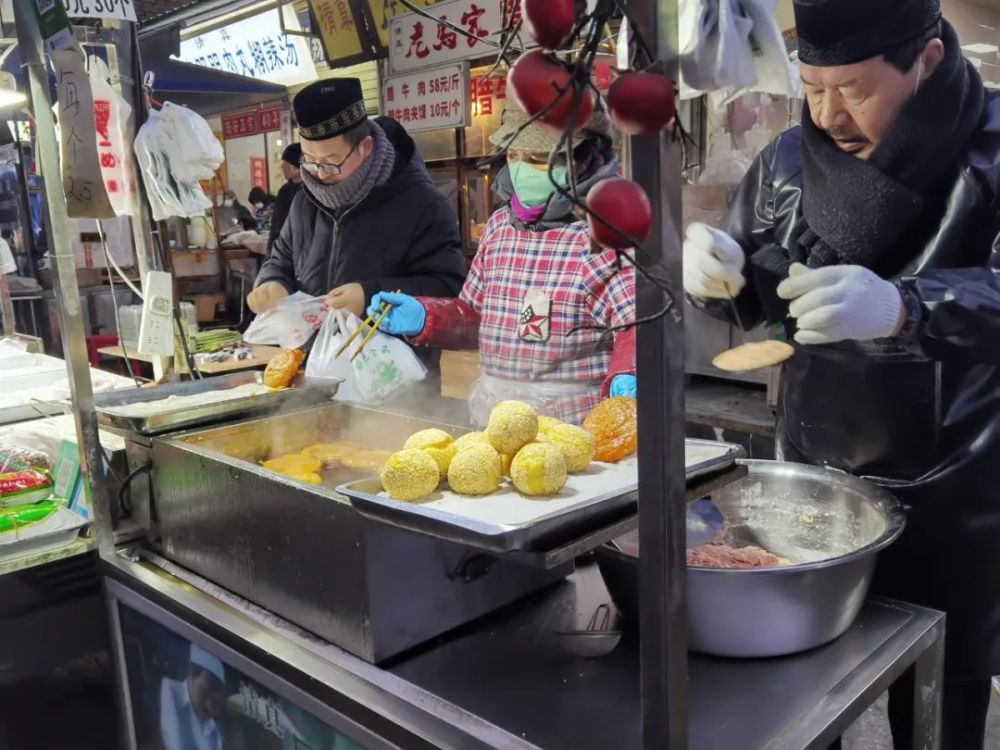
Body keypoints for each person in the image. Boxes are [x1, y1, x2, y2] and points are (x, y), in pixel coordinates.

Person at [683, 0, 999, 746]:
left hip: (958, 478)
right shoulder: (787, 160)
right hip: (817, 474)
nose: (828, 114)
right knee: (806, 682)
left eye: (853, 88)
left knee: (941, 686)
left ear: (924, 58)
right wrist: (711, 272)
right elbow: (753, 289)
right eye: (813, 86)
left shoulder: (989, 147)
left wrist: (906, 306)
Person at [368, 104, 636, 426]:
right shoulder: (499, 228)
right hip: (493, 422)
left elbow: (635, 326)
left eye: (536, 160)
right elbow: (474, 317)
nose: (521, 170)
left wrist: (629, 373)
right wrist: (426, 316)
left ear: (581, 162)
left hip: (570, 428)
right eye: (513, 157)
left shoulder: (604, 236)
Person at [248, 78, 465, 378]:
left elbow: (449, 289)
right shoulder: (304, 203)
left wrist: (371, 294)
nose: (319, 174)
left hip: (394, 382)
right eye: (309, 161)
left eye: (331, 162)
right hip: (316, 372)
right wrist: (272, 281)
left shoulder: (421, 204)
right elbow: (282, 258)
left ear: (365, 147)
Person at [159, 644, 227, 750]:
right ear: (192, 674)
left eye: (217, 689)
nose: (213, 694)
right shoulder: (171, 691)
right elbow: (173, 742)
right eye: (210, 683)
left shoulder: (213, 730)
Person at [269, 143, 303, 252]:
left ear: (296, 168)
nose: (282, 166)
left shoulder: (313, 191)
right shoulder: (284, 191)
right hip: (282, 249)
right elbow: (275, 225)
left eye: (285, 163)